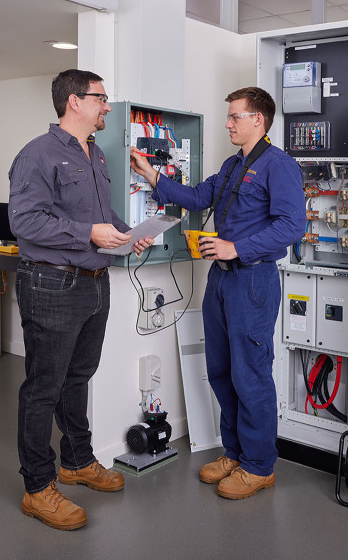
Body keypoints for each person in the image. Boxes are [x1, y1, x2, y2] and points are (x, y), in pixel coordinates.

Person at [130, 87, 303, 499]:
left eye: (235, 116)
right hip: (221, 280)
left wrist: (236, 247)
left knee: (251, 375)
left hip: (253, 279)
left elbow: (292, 225)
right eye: (229, 117)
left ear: (257, 120)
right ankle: (236, 453)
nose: (228, 123)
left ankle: (259, 466)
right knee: (222, 370)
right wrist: (153, 175)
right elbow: (196, 197)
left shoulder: (279, 166)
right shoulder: (231, 165)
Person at [8, 69, 153, 531]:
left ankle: (77, 461)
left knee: (78, 377)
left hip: (94, 281)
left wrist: (127, 235)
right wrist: (86, 232)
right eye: (100, 98)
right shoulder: (37, 154)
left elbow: (99, 214)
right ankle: (37, 487)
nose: (107, 106)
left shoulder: (96, 154)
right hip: (51, 283)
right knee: (43, 386)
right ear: (74, 101)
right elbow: (25, 222)